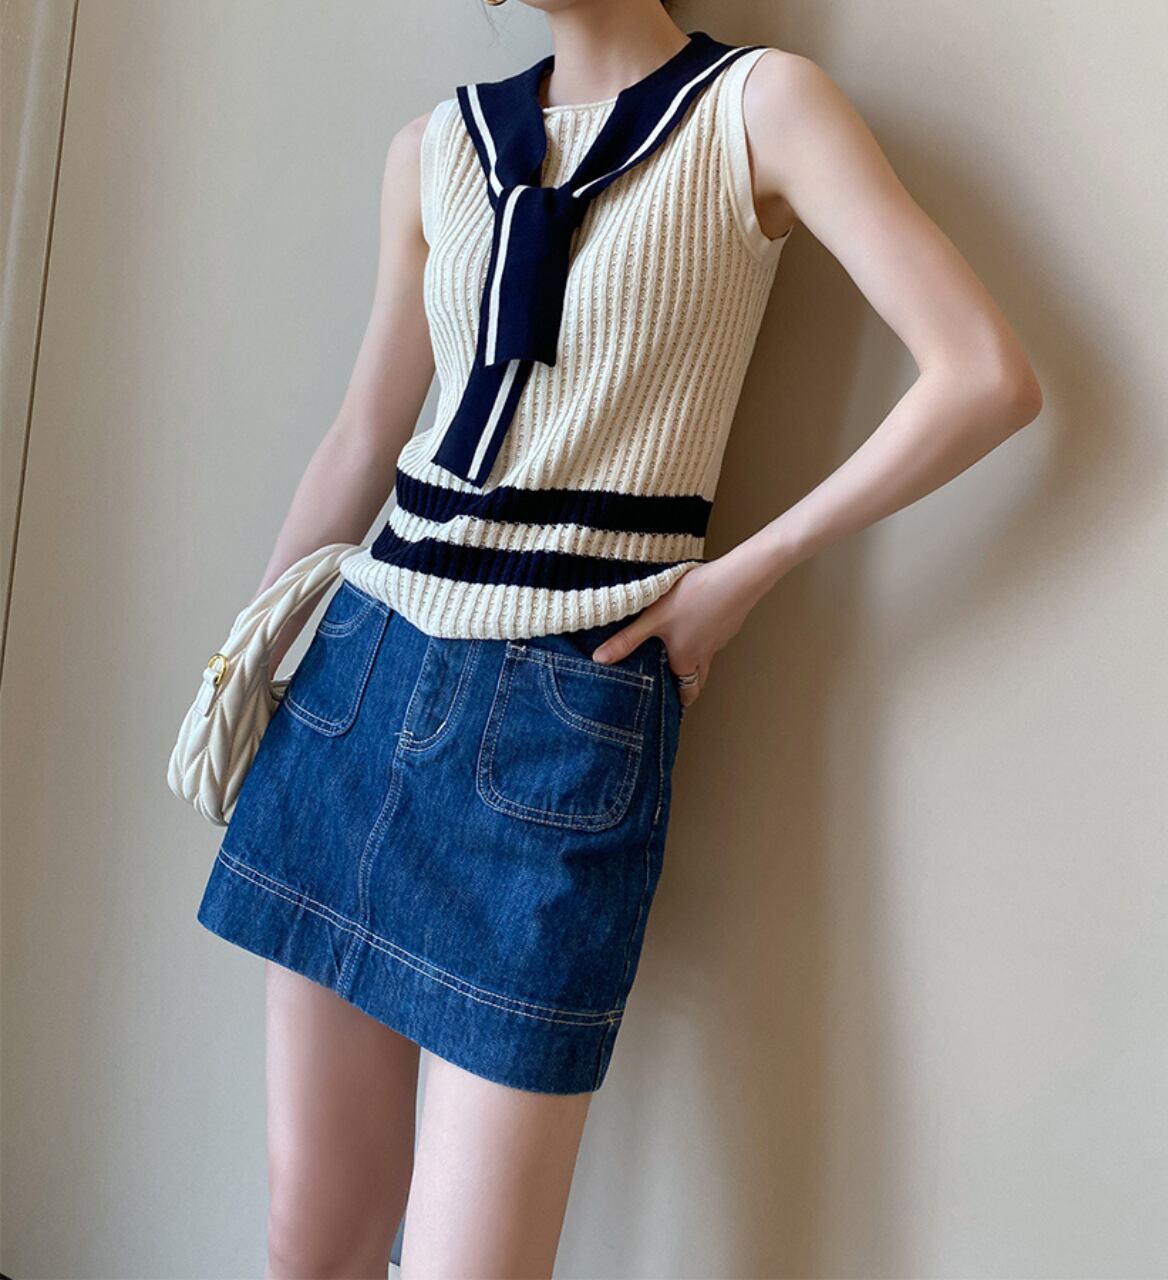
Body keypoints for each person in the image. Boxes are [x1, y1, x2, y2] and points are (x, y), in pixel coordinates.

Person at [195, 0, 1043, 1275]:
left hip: (559, 717)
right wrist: (243, 667)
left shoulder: (756, 108)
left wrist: (740, 577)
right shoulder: (433, 148)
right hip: (353, 683)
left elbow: (982, 375)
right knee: (311, 1237)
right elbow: (365, 432)